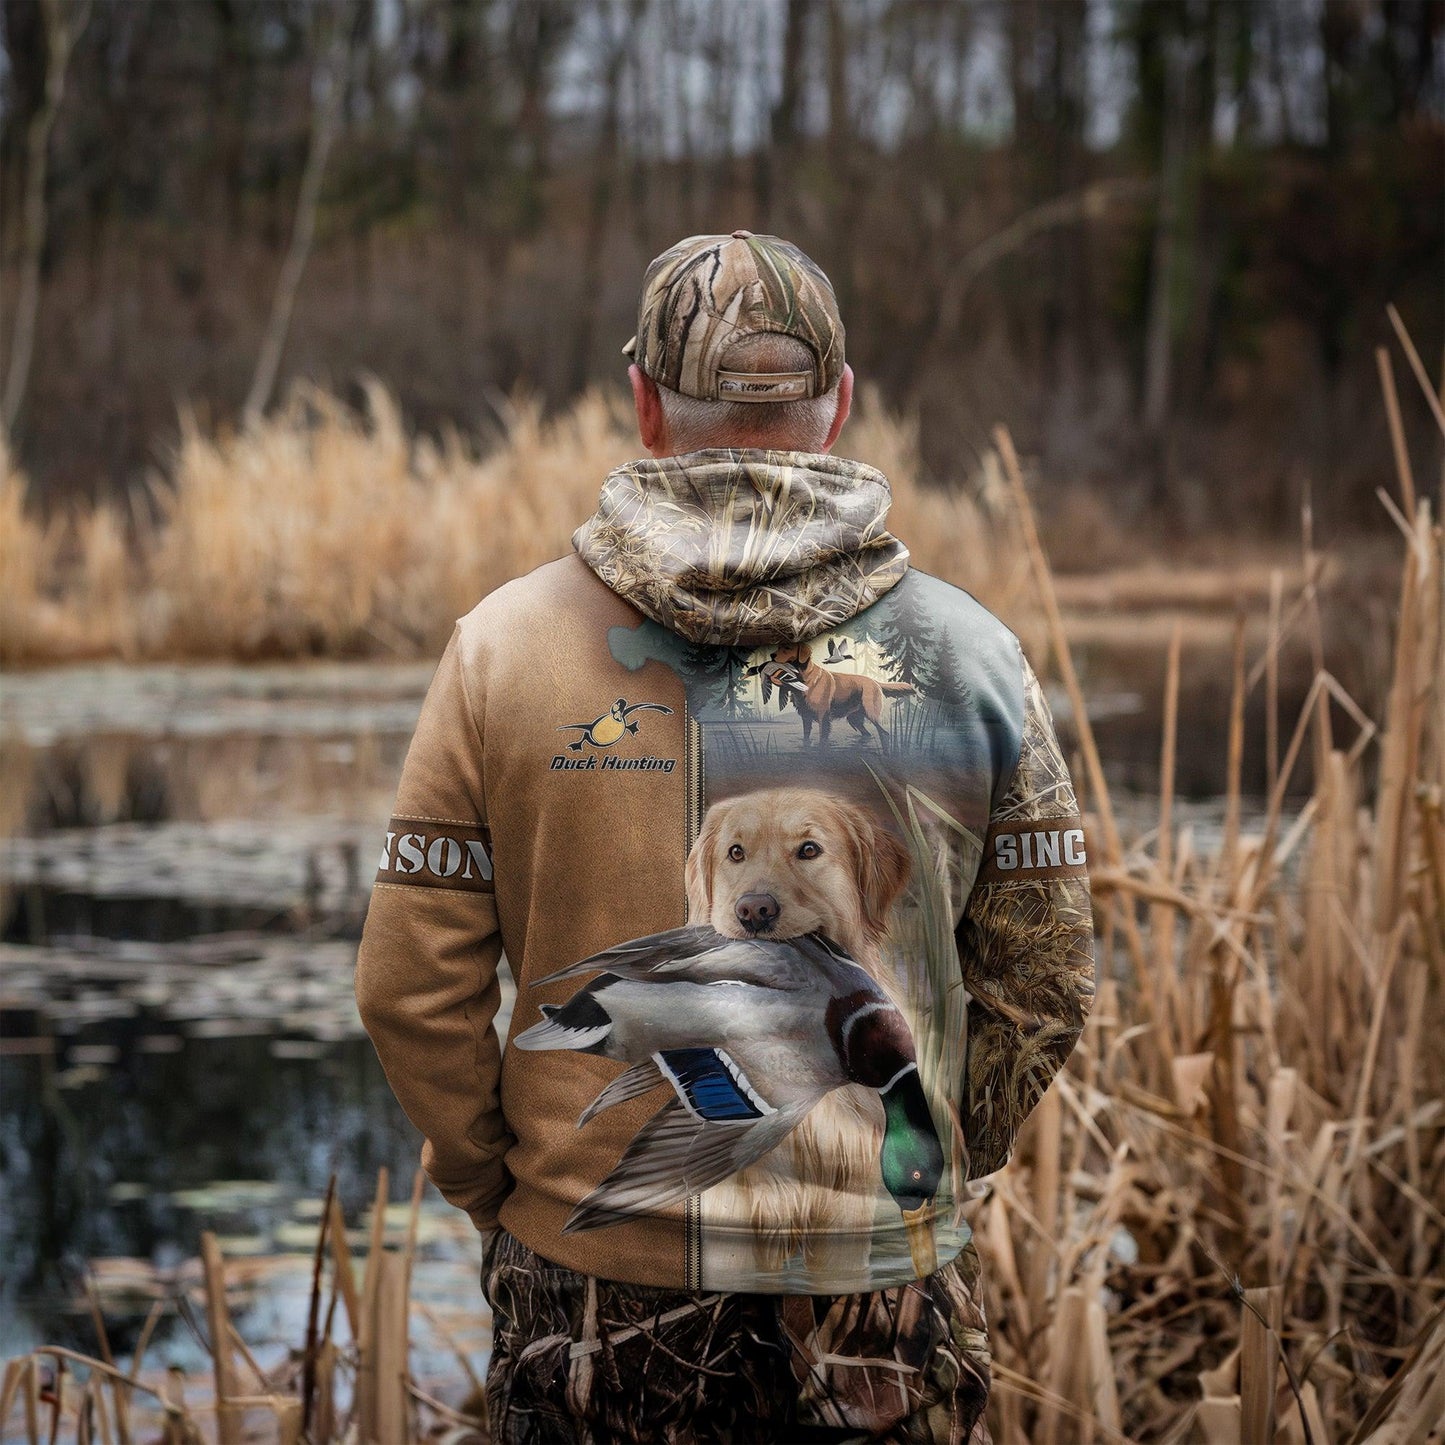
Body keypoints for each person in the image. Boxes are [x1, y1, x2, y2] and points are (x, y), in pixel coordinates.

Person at [355, 230, 1095, 1443]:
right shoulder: (972, 654)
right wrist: (944, 1153)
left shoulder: (497, 647)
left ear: (641, 400)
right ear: (839, 405)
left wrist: (501, 1186)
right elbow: (1047, 976)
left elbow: (404, 989)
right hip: (881, 1296)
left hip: (587, 1285)